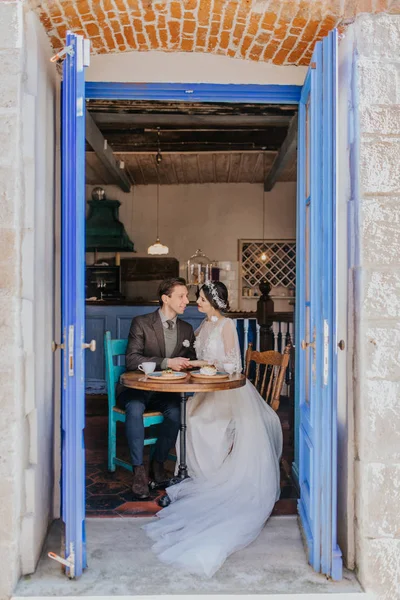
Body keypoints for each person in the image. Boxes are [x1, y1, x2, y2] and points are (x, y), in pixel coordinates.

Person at [143, 281, 283, 577]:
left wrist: (207, 363)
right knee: (187, 416)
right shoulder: (203, 326)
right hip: (205, 389)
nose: (197, 303)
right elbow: (194, 354)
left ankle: (211, 475)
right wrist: (191, 362)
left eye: (202, 299)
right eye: (197, 299)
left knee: (196, 421)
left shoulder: (227, 325)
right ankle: (195, 471)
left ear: (214, 300)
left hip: (227, 391)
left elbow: (233, 364)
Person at [116, 277, 196, 499]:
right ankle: (139, 470)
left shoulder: (187, 329)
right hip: (136, 390)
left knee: (176, 412)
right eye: (181, 296)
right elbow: (132, 360)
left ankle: (158, 464)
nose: (186, 301)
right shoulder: (141, 322)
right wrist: (167, 363)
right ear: (165, 298)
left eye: (186, 296)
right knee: (134, 410)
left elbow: (190, 361)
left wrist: (191, 364)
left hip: (164, 392)